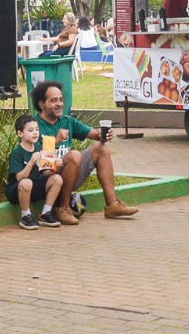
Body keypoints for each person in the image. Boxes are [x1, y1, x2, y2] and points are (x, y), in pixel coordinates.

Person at [32, 80, 138, 223]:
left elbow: (94, 134)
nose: (59, 104)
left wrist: (102, 135)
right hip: (46, 179)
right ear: (41, 104)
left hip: (68, 176)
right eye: (54, 100)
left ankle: (112, 204)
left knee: (100, 148)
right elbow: (35, 157)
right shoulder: (33, 125)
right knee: (74, 155)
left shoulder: (67, 121)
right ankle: (63, 208)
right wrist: (55, 141)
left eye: (61, 100)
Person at [7, 114, 63, 229]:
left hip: (33, 187)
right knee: (27, 182)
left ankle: (45, 213)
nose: (35, 133)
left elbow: (45, 173)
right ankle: (25, 216)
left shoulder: (39, 148)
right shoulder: (17, 152)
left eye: (37, 129)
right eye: (30, 130)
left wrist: (55, 167)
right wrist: (31, 162)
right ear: (20, 134)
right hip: (17, 190)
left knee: (57, 179)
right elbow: (19, 178)